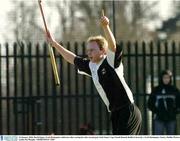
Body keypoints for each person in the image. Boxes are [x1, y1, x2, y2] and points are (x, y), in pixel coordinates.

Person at [46, 13, 142, 135]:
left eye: (92, 50)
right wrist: (54, 43)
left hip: (128, 111)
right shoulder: (91, 66)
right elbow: (72, 58)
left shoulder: (110, 61)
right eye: (88, 50)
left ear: (102, 51)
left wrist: (106, 26)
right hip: (115, 113)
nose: (89, 53)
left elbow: (112, 46)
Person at [147, 70, 180, 135]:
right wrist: (157, 111)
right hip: (159, 118)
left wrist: (174, 111)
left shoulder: (174, 90)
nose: (166, 79)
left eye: (168, 77)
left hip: (171, 118)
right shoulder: (156, 90)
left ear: (170, 78)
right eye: (164, 77)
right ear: (161, 78)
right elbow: (150, 103)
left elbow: (179, 103)